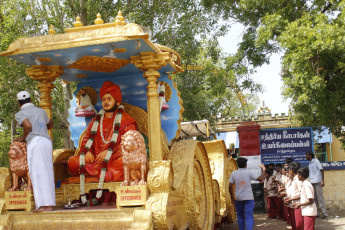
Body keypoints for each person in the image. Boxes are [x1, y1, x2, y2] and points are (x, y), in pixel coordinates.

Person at [67, 81, 138, 182]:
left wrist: (109, 151)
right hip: (95, 160)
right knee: (72, 162)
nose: (106, 102)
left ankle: (93, 177)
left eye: (109, 99)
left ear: (117, 102)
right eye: (104, 99)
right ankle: (98, 176)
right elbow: (86, 139)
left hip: (115, 159)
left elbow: (131, 145)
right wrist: (87, 152)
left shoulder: (126, 121)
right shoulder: (96, 120)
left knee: (124, 163)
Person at [14, 91, 55, 212]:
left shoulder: (20, 113)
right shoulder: (41, 111)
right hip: (46, 142)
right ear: (31, 100)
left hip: (35, 142)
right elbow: (50, 124)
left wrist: (23, 137)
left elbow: (27, 126)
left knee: (37, 173)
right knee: (47, 171)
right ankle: (48, 203)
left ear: (18, 103)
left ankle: (44, 206)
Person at [229, 157, 266, 230]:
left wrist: (232, 196)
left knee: (240, 216)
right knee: (249, 216)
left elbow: (229, 186)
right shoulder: (249, 172)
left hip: (238, 198)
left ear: (237, 165)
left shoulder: (234, 173)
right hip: (248, 198)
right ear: (246, 165)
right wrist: (264, 169)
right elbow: (261, 178)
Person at [306, 151, 328, 219]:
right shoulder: (310, 163)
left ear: (310, 155)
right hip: (312, 182)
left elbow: (322, 170)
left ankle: (324, 213)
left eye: (307, 155)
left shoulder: (316, 161)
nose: (306, 156)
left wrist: (322, 181)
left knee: (320, 198)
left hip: (317, 182)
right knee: (314, 198)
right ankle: (317, 213)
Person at [285, 162, 303, 230]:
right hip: (291, 204)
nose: (288, 172)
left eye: (289, 170)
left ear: (292, 170)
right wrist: (287, 198)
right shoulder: (291, 180)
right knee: (293, 223)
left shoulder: (298, 180)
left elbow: (302, 194)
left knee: (299, 224)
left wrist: (290, 199)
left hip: (297, 204)